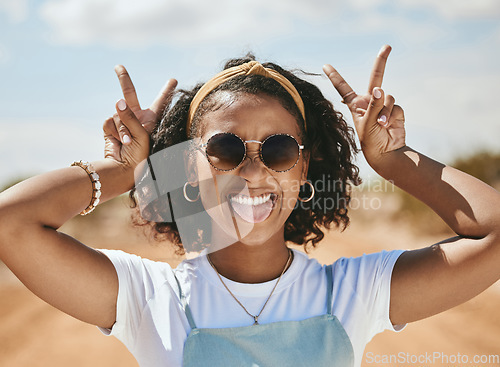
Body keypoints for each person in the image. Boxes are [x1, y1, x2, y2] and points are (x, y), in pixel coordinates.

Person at [0, 45, 499, 367]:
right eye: (224, 151)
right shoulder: (149, 299)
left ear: (304, 169)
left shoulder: (355, 293)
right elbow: (11, 222)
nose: (255, 174)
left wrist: (395, 163)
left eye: (280, 150)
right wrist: (125, 171)